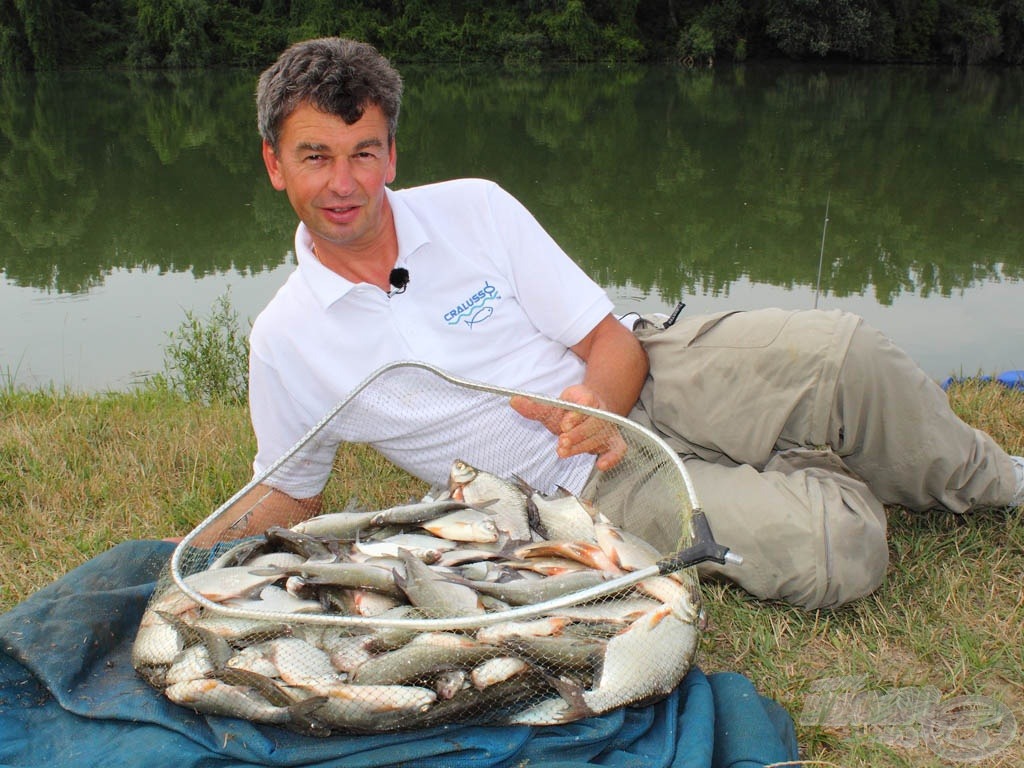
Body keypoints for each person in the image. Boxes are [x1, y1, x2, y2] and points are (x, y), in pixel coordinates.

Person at [243, 37, 1024, 611]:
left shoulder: (474, 207)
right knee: (834, 554)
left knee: (852, 356)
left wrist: (594, 405)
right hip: (585, 488)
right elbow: (289, 492)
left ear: (392, 156)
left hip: (646, 372)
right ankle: (806, 464)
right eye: (316, 157)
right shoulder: (286, 339)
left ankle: (996, 484)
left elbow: (609, 342)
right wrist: (183, 558)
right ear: (276, 164)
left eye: (363, 154)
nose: (344, 184)